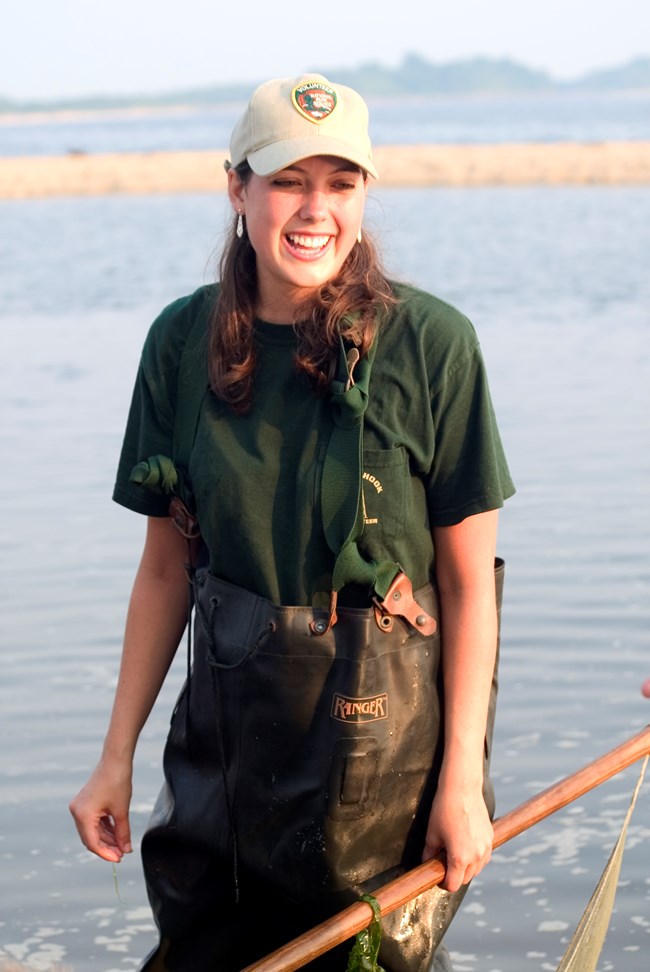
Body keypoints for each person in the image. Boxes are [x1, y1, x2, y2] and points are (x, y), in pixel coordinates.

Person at [69, 74, 515, 972]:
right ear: (237, 188)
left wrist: (463, 781)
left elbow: (470, 588)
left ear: (364, 194)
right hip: (225, 769)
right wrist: (115, 756)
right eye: (288, 181)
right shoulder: (179, 343)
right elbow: (164, 571)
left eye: (341, 184)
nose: (316, 210)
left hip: (385, 768)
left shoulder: (433, 345)